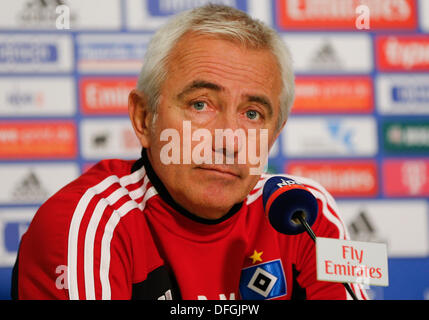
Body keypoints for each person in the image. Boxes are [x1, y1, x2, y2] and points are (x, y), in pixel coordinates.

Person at [11, 4, 367, 300]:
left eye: (253, 114)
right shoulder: (85, 225)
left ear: (274, 134)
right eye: (200, 105)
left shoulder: (303, 214)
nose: (228, 140)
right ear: (143, 117)